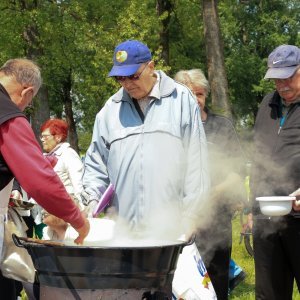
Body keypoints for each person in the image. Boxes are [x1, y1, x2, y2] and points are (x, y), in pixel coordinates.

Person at [82, 40, 210, 242]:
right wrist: (91, 201)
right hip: (123, 231)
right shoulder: (109, 111)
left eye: (133, 76)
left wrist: (192, 215)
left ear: (151, 66)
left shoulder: (181, 100)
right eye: (120, 78)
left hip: (172, 230)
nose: (127, 84)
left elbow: (197, 164)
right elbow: (95, 166)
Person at [0, 58, 90, 300]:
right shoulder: (8, 114)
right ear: (27, 91)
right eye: (29, 102)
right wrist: (78, 219)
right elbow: (41, 182)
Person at [175, 68, 246, 299]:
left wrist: (213, 193)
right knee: (183, 282)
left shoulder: (222, 126)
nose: (195, 100)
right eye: (188, 94)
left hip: (217, 217)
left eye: (199, 94)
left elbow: (238, 171)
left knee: (216, 279)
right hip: (180, 219)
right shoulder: (172, 128)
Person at [250, 44, 300, 300]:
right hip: (267, 218)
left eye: (288, 77)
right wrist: (251, 209)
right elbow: (258, 157)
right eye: (276, 79)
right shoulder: (267, 105)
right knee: (269, 294)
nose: (282, 86)